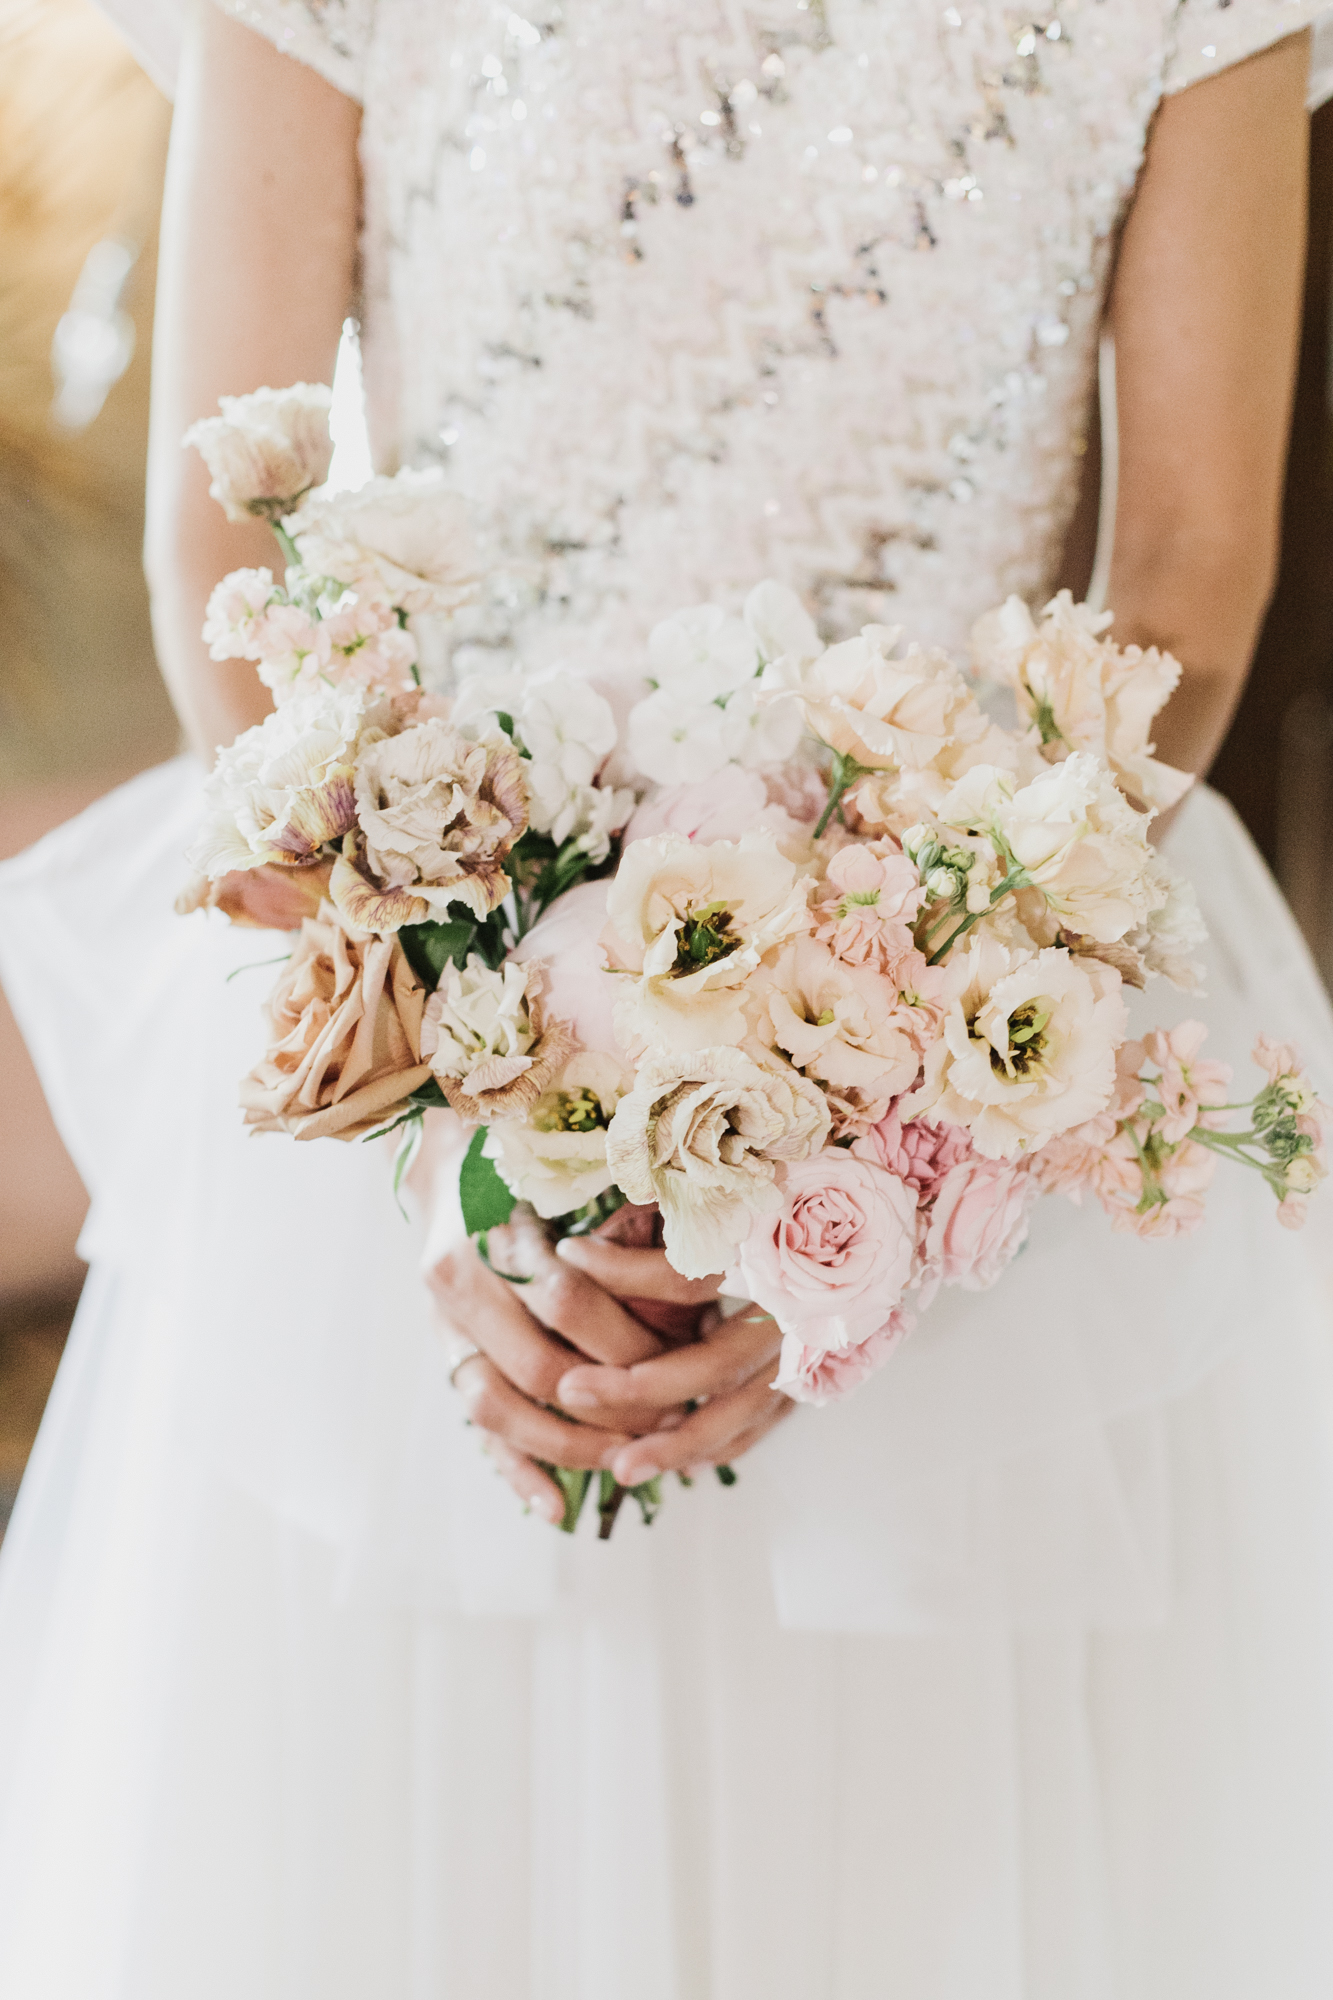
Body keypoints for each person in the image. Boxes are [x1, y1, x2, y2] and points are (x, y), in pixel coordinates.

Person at [2, 2, 1333, 1993]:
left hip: (974, 1034)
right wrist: (484, 1106)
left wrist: (877, 1137)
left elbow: (1184, 581)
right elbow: (232, 553)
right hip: (433, 1003)